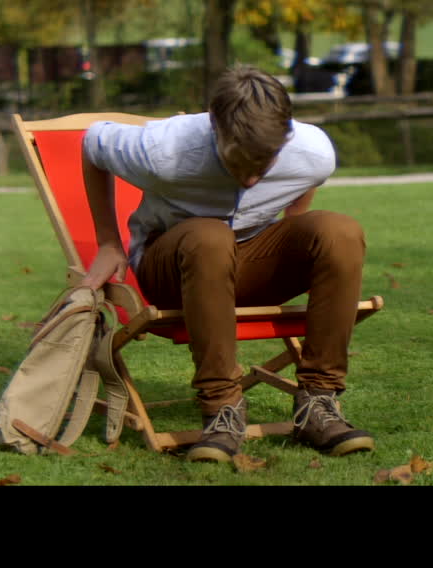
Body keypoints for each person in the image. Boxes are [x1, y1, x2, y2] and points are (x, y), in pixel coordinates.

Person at [79, 64, 373, 463]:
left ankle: (318, 404)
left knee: (340, 231)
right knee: (209, 236)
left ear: (286, 136)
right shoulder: (162, 150)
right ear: (214, 127)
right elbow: (92, 143)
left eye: (264, 164)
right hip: (172, 267)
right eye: (238, 163)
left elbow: (304, 183)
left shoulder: (312, 152)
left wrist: (293, 230)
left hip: (247, 262)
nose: (251, 180)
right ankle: (222, 410)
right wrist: (109, 242)